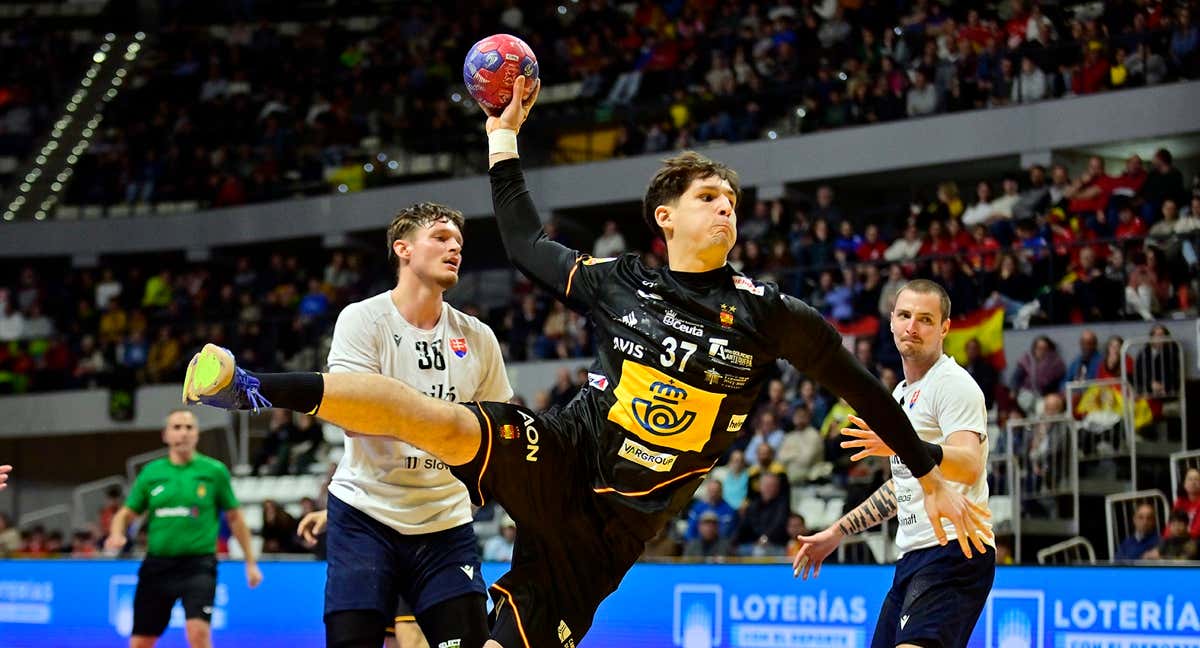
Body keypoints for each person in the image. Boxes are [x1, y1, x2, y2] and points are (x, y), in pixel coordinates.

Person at [183, 75, 988, 648]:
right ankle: (255, 387)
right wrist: (503, 137)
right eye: (710, 196)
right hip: (565, 456)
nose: (726, 208)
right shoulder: (619, 282)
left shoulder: (772, 314)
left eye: (733, 201)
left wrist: (925, 470)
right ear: (665, 217)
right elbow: (527, 242)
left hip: (614, 532)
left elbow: (862, 390)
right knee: (434, 414)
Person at [296, 202, 511, 648]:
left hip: (445, 521)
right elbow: (352, 420)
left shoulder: (479, 337)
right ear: (403, 249)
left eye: (458, 242)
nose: (454, 247)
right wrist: (444, 427)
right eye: (440, 237)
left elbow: (495, 435)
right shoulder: (362, 319)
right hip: (365, 515)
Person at [793, 279, 994, 648]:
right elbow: (904, 484)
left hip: (955, 551)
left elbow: (969, 465)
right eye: (904, 316)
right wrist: (837, 531)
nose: (911, 326)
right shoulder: (901, 394)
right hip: (913, 556)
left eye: (925, 319)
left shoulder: (953, 385)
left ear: (945, 328)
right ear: (890, 322)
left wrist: (905, 444)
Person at [104, 410, 262, 648]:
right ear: (165, 435)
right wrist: (116, 534)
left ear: (197, 434)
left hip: (198, 566)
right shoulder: (151, 473)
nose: (183, 433)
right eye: (177, 427)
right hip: (157, 567)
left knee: (198, 633)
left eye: (189, 428)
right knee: (141, 642)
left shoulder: (214, 471)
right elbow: (125, 514)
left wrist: (250, 562)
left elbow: (235, 518)